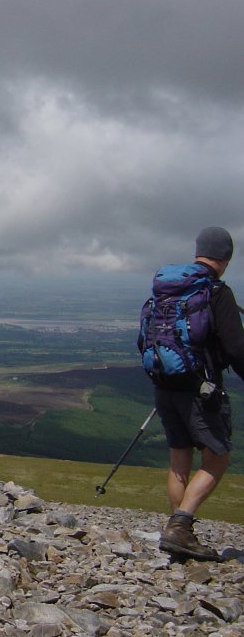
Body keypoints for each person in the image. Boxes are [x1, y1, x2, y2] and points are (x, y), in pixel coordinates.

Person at [146, 227, 244, 561]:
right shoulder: (216, 292)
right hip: (200, 391)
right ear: (225, 257)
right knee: (217, 457)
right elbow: (236, 348)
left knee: (179, 459)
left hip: (164, 386)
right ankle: (180, 527)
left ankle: (178, 538)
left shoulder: (168, 291)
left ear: (199, 252)